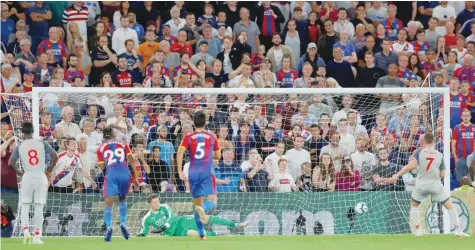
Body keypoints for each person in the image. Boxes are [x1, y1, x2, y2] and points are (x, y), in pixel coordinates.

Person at [392, 133, 470, 237]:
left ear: (423, 141)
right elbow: (443, 175)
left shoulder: (419, 151)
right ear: (434, 142)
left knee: (414, 205)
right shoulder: (439, 154)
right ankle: (458, 230)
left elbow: (410, 166)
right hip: (435, 185)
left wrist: (397, 175)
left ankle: (418, 231)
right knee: (450, 206)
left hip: (421, 185)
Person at [7, 122, 58, 244]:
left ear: (22, 133)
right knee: (38, 207)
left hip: (28, 176)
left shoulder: (20, 146)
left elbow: (10, 162)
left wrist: (19, 173)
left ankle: (25, 232)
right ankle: (37, 236)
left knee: (25, 206)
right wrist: (49, 170)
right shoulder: (42, 143)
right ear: (33, 131)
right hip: (40, 175)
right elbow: (54, 155)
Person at [176, 110, 221, 240]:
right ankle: (204, 209)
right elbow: (218, 156)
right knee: (212, 201)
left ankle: (201, 234)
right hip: (207, 171)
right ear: (205, 122)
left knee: (197, 205)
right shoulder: (212, 137)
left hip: (193, 172)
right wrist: (209, 153)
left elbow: (179, 153)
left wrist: (179, 171)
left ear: (193, 123)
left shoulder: (188, 137)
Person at [137, 194, 247, 237]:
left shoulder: (164, 207)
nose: (157, 204)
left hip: (182, 221)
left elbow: (170, 218)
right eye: (154, 203)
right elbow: (143, 232)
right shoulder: (147, 218)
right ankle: (218, 234)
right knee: (194, 234)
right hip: (176, 232)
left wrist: (162, 228)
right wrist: (140, 236)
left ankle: (236, 225)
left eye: (157, 201)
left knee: (204, 218)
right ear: (149, 204)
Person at [97, 126, 138, 242]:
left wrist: (108, 174)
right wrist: (135, 176)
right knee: (122, 199)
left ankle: (109, 226)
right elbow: (131, 159)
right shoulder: (124, 145)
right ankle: (123, 223)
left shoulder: (100, 148)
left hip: (111, 173)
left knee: (108, 203)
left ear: (104, 137)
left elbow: (102, 166)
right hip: (124, 172)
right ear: (113, 135)